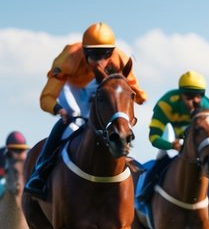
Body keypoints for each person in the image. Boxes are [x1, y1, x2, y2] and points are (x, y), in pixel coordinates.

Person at [24, 22, 147, 198]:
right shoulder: (69, 57)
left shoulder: (119, 57)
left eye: (105, 55)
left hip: (103, 87)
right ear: (84, 51)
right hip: (72, 88)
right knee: (72, 121)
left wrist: (140, 96)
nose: (100, 61)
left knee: (114, 123)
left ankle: (128, 163)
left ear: (112, 52)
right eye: (94, 55)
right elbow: (46, 97)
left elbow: (131, 85)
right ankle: (40, 172)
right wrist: (58, 109)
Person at [138, 71, 209, 209]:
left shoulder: (207, 106)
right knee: (160, 162)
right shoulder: (166, 104)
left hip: (196, 144)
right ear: (181, 94)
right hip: (171, 139)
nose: (195, 101)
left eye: (199, 95)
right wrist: (171, 145)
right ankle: (146, 193)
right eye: (189, 96)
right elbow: (154, 137)